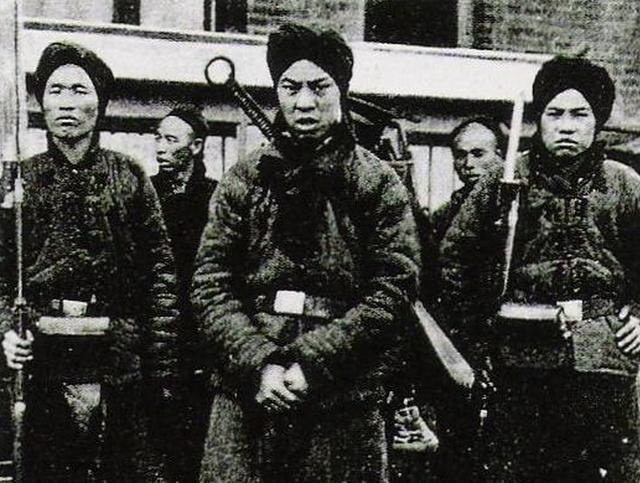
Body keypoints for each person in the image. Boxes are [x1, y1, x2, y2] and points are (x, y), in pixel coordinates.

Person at [192, 23, 420, 483]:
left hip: (343, 397)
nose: (304, 102)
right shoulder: (244, 179)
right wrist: (259, 363)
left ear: (342, 92)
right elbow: (210, 285)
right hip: (249, 394)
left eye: (320, 87)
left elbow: (394, 289)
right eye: (290, 87)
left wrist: (314, 362)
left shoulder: (376, 182)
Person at [440, 56, 640, 481]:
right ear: (539, 119)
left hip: (604, 361)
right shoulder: (504, 181)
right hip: (521, 362)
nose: (566, 126)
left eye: (579, 114)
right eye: (555, 113)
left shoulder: (624, 185)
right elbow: (455, 259)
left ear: (597, 121)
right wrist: (477, 337)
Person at [0, 41, 179, 481]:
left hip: (116, 361)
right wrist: (6, 330)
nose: (66, 102)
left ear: (99, 104)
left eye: (79, 90)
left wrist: (158, 365)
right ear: (42, 102)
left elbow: (160, 274)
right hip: (42, 359)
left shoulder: (129, 176)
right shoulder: (19, 181)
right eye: (56, 90)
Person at [151, 105, 217, 482]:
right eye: (158, 138)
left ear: (196, 147)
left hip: (200, 339)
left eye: (171, 139)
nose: (160, 147)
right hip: (156, 331)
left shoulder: (215, 198)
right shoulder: (145, 193)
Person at [431, 118, 503, 243]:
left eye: (478, 154)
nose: (468, 164)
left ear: (500, 156)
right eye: (460, 156)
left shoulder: (515, 202)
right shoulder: (445, 213)